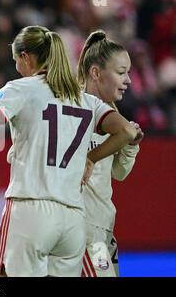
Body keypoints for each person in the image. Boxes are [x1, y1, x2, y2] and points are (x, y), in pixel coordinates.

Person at [0, 25, 137, 276]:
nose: (16, 66)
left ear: (26, 57)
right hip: (73, 221)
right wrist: (91, 158)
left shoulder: (23, 88)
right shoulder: (87, 102)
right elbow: (126, 132)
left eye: (16, 59)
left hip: (32, 209)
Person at [77, 31, 144, 277]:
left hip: (103, 228)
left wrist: (130, 146)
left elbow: (119, 173)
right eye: (121, 72)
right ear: (95, 73)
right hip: (84, 228)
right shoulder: (73, 109)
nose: (128, 80)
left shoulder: (112, 115)